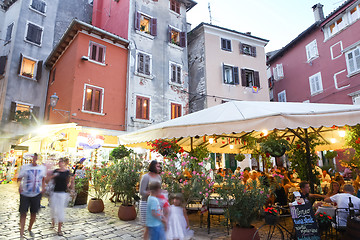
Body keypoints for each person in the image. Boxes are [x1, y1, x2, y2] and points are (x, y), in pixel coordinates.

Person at [17, 153, 46, 239]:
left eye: (36, 158)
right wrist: (20, 186)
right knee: (23, 213)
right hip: (25, 194)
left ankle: (29, 228)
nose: (35, 160)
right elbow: (19, 178)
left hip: (36, 194)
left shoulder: (41, 168)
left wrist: (43, 188)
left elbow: (43, 179)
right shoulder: (25, 167)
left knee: (33, 213)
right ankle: (21, 232)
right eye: (33, 158)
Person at [49, 158, 71, 236]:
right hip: (54, 192)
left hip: (62, 193)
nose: (60, 163)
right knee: (53, 208)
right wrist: (52, 177)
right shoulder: (55, 171)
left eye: (61, 162)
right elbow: (50, 180)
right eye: (59, 162)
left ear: (64, 163)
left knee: (60, 210)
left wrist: (70, 188)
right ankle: (53, 222)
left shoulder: (67, 172)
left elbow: (68, 181)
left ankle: (59, 229)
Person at [139, 160, 162, 239]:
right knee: (147, 227)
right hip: (146, 203)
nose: (159, 168)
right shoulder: (146, 177)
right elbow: (141, 192)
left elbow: (159, 189)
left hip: (156, 203)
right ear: (153, 166)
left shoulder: (159, 177)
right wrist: (152, 193)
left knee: (155, 224)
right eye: (158, 166)